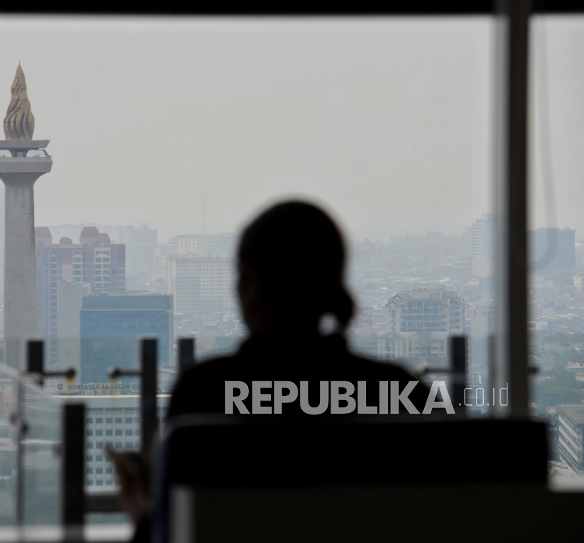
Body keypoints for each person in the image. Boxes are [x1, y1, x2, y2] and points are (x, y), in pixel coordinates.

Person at [112, 200, 440, 542]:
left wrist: (144, 510)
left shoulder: (204, 392)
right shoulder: (402, 392)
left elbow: (185, 528)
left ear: (251, 283)